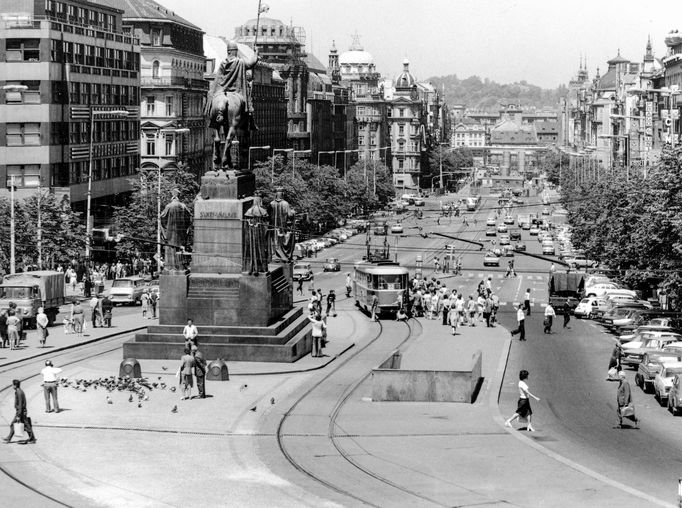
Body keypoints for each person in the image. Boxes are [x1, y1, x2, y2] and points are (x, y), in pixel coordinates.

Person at [3, 379, 36, 444]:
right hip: (20, 412)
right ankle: (9, 438)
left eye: (13, 385)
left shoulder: (19, 392)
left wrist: (18, 415)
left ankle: (32, 438)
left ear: (15, 385)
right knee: (22, 425)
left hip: (21, 412)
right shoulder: (18, 391)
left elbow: (20, 404)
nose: (12, 386)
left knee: (24, 426)